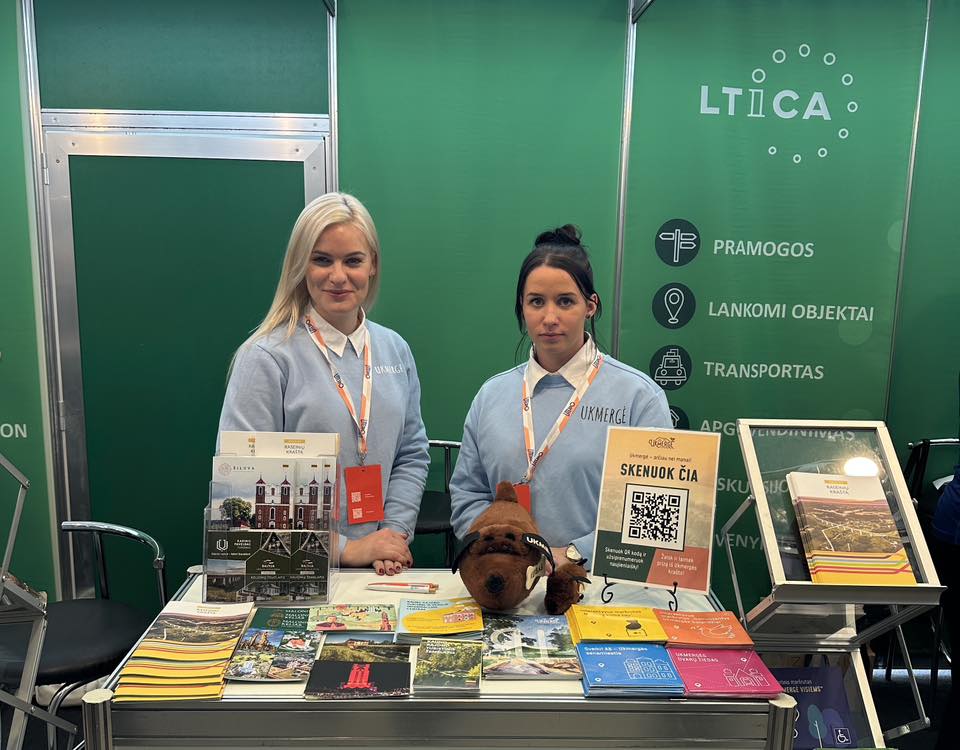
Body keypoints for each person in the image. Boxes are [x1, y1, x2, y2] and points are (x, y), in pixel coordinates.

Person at [218, 192, 429, 576]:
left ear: (373, 265)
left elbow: (411, 453)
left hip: (380, 568)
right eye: (322, 260)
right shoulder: (265, 357)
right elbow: (242, 491)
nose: (338, 276)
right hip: (290, 570)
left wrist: (392, 536)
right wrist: (347, 549)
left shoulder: (395, 349)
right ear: (301, 264)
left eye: (353, 261)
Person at [450, 225, 671, 566]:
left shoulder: (639, 398)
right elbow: (468, 495)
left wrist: (571, 555)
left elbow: (650, 519)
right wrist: (501, 551)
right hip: (507, 582)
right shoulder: (491, 396)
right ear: (522, 307)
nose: (550, 318)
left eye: (565, 301)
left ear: (590, 306)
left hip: (603, 586)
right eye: (536, 302)